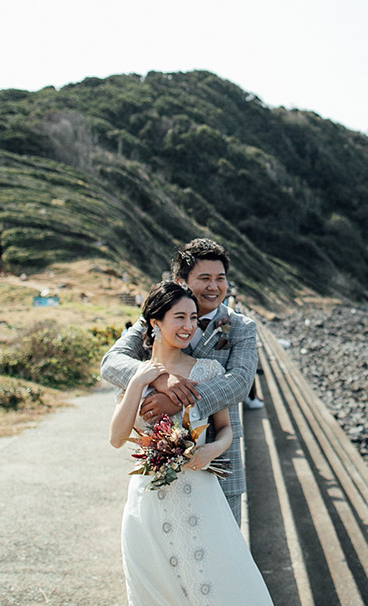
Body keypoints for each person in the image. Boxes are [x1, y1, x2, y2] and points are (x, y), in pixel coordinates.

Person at [109, 280, 272, 606]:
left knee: (212, 581)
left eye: (193, 318)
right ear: (155, 322)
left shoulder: (208, 369)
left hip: (200, 493)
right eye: (179, 317)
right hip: (147, 499)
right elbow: (117, 438)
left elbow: (224, 429)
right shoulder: (136, 373)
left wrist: (213, 448)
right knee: (155, 587)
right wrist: (141, 378)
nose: (188, 327)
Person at [101, 238, 258, 522]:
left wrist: (176, 399)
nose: (214, 287)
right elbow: (111, 362)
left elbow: (241, 382)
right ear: (181, 280)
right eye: (204, 278)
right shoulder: (156, 317)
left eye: (220, 278)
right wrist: (162, 378)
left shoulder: (241, 327)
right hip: (161, 472)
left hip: (218, 462)